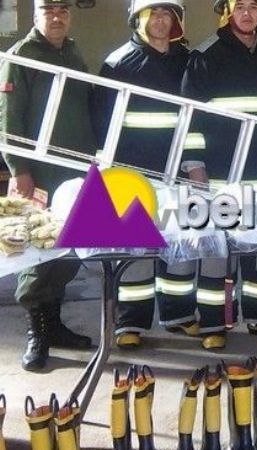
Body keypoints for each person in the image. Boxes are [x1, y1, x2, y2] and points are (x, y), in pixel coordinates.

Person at [180, 0, 257, 349]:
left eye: (254, 7)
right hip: (221, 176)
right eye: (240, 6)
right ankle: (213, 324)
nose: (247, 13)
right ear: (228, 11)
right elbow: (190, 117)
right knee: (217, 253)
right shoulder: (205, 56)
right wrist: (194, 163)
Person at [94, 0, 202, 349]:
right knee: (135, 250)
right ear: (137, 18)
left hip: (176, 169)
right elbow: (101, 119)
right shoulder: (117, 62)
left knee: (180, 244)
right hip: (130, 169)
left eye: (167, 14)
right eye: (153, 13)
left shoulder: (186, 61)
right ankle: (130, 323)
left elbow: (195, 116)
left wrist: (192, 161)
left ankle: (179, 315)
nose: (160, 20)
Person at [0, 0, 95, 371]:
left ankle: (55, 326)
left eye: (63, 11)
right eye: (48, 10)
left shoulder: (72, 52)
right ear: (36, 14)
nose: (56, 17)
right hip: (38, 173)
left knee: (67, 248)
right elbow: (8, 118)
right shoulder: (21, 56)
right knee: (37, 252)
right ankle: (37, 334)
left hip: (74, 168)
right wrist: (19, 168)